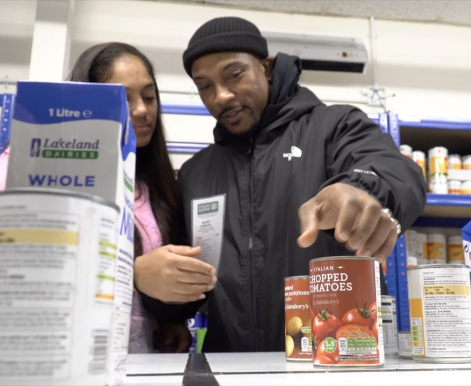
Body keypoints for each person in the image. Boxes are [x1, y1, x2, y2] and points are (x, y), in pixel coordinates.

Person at [178, 17, 427, 352]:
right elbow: (184, 281)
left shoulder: (333, 127)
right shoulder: (195, 173)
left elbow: (395, 170)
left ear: (265, 68)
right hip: (232, 370)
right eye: (205, 86)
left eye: (234, 74)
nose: (221, 95)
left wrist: (362, 188)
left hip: (335, 360)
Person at [0, 42, 215, 353]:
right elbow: (2, 262)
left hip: (135, 363)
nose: (142, 109)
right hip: (54, 354)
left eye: (148, 96)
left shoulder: (150, 184)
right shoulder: (26, 163)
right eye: (124, 98)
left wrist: (169, 317)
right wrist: (133, 275)